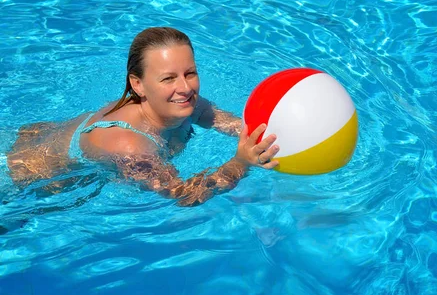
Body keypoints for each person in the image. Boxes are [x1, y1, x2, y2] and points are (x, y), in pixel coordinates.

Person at [6, 27, 280, 206]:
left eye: (190, 73)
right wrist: (241, 163)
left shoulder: (186, 104)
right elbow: (183, 195)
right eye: (168, 78)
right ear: (138, 84)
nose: (184, 88)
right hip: (18, 177)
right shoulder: (131, 147)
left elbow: (243, 129)